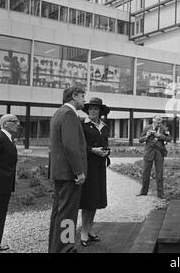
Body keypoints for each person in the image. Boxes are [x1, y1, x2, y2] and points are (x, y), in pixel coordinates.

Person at [48, 87, 87, 253]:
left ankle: (55, 248)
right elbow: (71, 146)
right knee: (68, 214)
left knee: (58, 212)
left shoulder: (59, 113)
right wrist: (79, 171)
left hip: (60, 172)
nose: (84, 100)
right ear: (73, 97)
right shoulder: (69, 114)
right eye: (83, 96)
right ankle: (66, 248)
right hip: (69, 173)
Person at [79, 97, 110, 247]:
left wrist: (105, 152)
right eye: (90, 108)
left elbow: (105, 143)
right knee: (88, 200)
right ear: (87, 110)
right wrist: (92, 150)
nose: (92, 111)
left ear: (100, 111)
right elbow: (79, 145)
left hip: (99, 166)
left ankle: (90, 229)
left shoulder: (104, 126)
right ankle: (83, 232)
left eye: (96, 109)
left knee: (96, 199)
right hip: (88, 165)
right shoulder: (82, 125)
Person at [0, 114, 20, 253]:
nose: (18, 124)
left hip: (3, 185)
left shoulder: (8, 139)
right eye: (14, 121)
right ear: (5, 124)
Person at [137, 115, 171, 198]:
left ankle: (160, 194)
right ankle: (144, 192)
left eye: (160, 120)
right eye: (157, 119)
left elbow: (169, 139)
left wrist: (159, 136)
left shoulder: (164, 128)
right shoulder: (147, 127)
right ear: (153, 120)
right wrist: (147, 136)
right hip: (149, 152)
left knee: (159, 174)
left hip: (159, 152)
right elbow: (140, 140)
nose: (159, 121)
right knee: (146, 173)